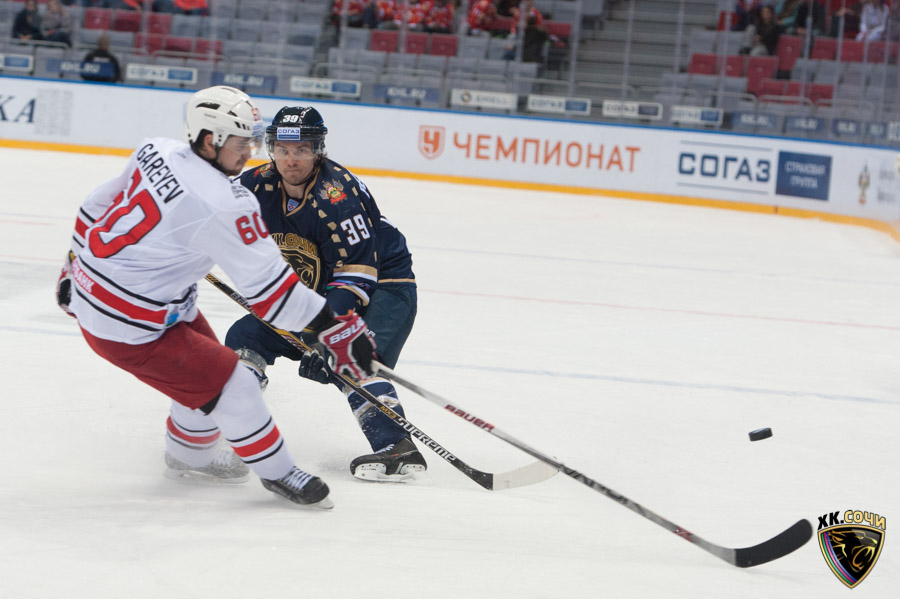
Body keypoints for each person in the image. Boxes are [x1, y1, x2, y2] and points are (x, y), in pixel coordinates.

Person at [54, 86, 379, 508]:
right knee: (237, 384)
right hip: (132, 324)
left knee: (204, 377)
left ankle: (188, 457)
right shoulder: (225, 203)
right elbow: (275, 297)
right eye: (242, 143)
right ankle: (281, 474)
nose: (251, 152)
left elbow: (97, 203)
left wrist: (72, 263)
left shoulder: (156, 149)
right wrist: (333, 328)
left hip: (107, 290)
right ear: (210, 140)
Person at [228, 106, 426, 483]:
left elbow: (355, 274)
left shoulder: (337, 196)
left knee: (349, 354)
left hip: (382, 283)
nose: (290, 160)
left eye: (301, 150)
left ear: (318, 149)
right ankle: (236, 430)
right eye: (283, 149)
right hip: (319, 285)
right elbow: (208, 212)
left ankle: (397, 447)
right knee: (246, 336)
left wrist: (325, 334)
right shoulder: (257, 184)